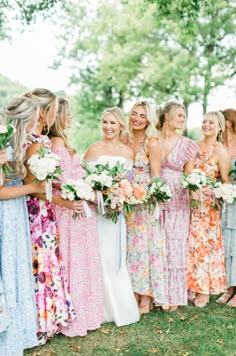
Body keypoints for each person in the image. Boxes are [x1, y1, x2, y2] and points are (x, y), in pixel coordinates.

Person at [24, 89, 76, 344]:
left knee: (48, 263)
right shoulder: (35, 143)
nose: (57, 115)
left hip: (46, 213)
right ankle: (39, 323)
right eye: (55, 110)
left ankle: (50, 318)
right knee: (41, 265)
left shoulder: (41, 139)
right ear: (45, 113)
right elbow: (37, 189)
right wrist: (66, 202)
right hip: (37, 214)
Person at [49, 98, 104, 336]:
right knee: (73, 261)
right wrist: (82, 191)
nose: (71, 117)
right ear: (58, 116)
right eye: (68, 113)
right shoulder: (56, 142)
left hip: (79, 208)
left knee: (82, 261)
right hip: (68, 209)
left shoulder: (63, 141)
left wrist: (92, 190)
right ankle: (74, 317)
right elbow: (59, 180)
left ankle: (86, 313)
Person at [84, 107, 140, 326]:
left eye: (112, 123)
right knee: (99, 256)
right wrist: (100, 194)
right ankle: (99, 308)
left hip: (116, 215)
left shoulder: (128, 152)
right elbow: (84, 181)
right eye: (105, 122)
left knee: (115, 256)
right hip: (97, 214)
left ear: (120, 126)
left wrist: (121, 195)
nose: (108, 127)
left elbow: (130, 182)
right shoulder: (93, 149)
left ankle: (120, 305)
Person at [0, 97, 46, 355]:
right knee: (8, 266)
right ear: (27, 118)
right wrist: (32, 188)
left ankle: (21, 329)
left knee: (17, 265)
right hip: (5, 213)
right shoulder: (3, 147)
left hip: (17, 213)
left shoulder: (22, 145)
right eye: (35, 116)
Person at [125, 101, 168, 315]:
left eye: (142, 115)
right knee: (129, 249)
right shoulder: (124, 140)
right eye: (134, 114)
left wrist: (150, 198)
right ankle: (131, 291)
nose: (137, 119)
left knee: (144, 248)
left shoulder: (152, 143)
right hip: (124, 201)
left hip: (144, 203)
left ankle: (146, 296)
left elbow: (156, 176)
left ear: (149, 119)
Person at [157, 101, 199, 311]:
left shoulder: (187, 144)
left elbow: (189, 175)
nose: (182, 119)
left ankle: (174, 294)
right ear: (166, 116)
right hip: (154, 193)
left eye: (184, 116)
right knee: (158, 239)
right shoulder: (153, 140)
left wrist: (195, 190)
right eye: (179, 115)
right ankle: (158, 292)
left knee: (175, 241)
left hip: (178, 196)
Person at [187, 111, 231, 308]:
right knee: (192, 245)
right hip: (191, 204)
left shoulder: (220, 150)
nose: (206, 125)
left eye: (211, 122)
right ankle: (192, 285)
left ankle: (204, 289)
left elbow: (226, 180)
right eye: (204, 121)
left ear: (220, 127)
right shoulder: (194, 146)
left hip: (209, 208)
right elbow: (187, 172)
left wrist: (217, 193)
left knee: (205, 246)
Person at [216, 109, 236, 306]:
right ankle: (229, 287)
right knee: (227, 245)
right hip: (224, 202)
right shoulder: (219, 146)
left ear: (228, 123)